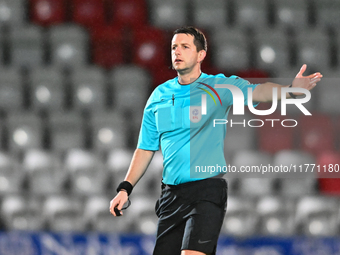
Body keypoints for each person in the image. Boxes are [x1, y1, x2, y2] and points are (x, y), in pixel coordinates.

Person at [109, 26, 322, 255]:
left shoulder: (218, 86)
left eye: (184, 47)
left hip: (206, 190)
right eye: (173, 47)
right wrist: (125, 188)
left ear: (201, 55)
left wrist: (290, 90)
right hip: (171, 196)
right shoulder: (158, 96)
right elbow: (145, 148)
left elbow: (259, 91)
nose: (177, 52)